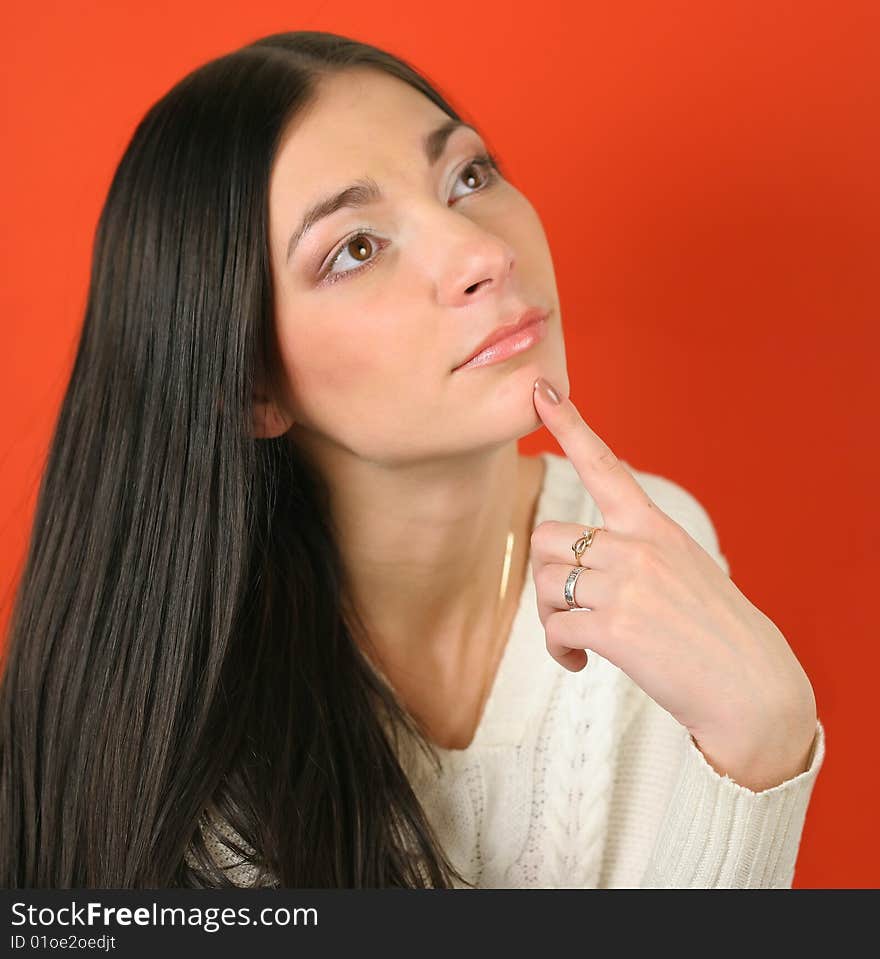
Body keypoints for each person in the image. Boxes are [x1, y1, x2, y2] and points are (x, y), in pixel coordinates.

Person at [0, 30, 824, 890]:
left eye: (468, 177)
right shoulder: (178, 694)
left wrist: (764, 752)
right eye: (355, 247)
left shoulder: (645, 546)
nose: (485, 254)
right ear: (252, 388)